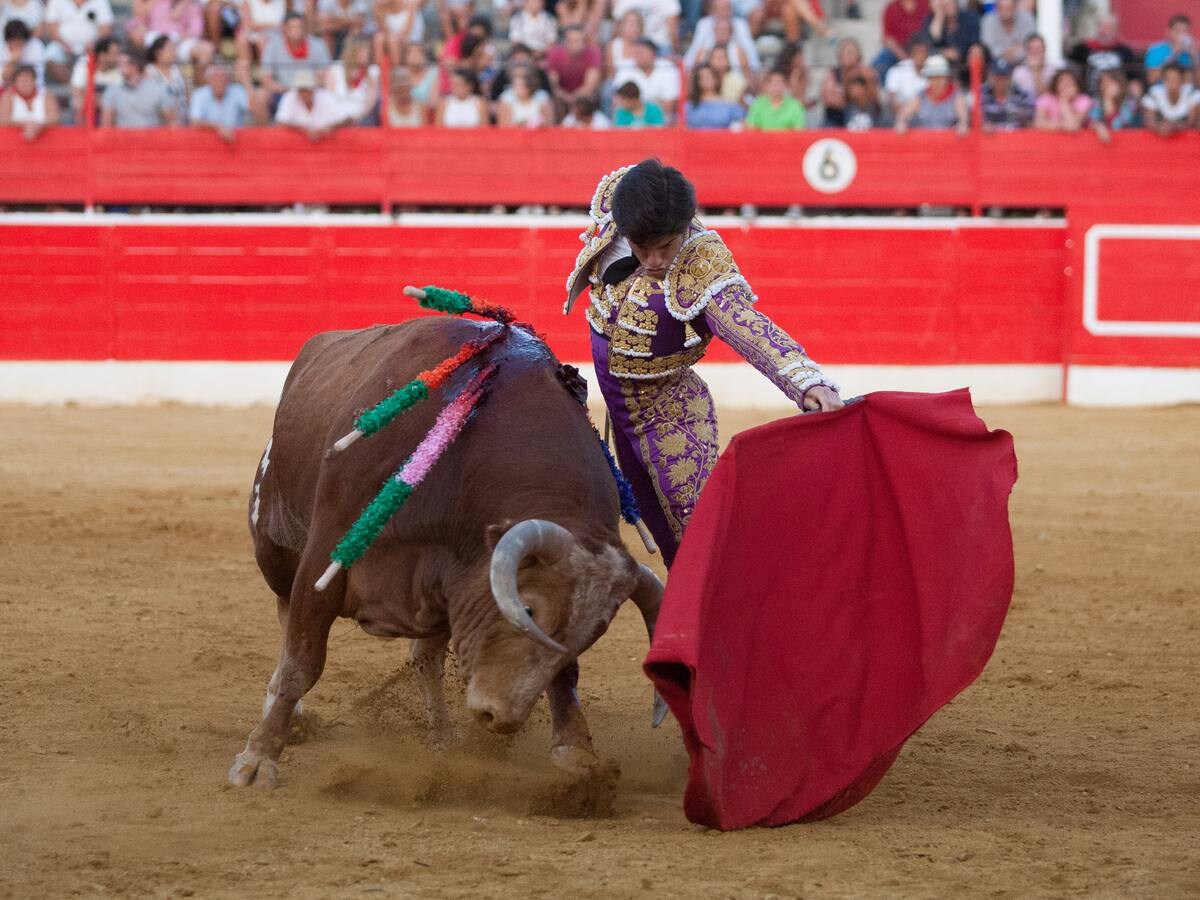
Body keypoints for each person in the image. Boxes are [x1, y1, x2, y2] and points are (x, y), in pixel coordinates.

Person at [563, 159, 842, 565]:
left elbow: (747, 326)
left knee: (698, 534)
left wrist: (806, 382)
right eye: (645, 248)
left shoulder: (701, 263)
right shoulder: (620, 202)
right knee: (651, 515)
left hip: (668, 413)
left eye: (668, 246)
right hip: (618, 404)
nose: (657, 260)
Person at [100, 46, 176, 127]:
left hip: (151, 138)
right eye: (119, 63)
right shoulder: (113, 90)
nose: (120, 66)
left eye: (123, 63)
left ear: (135, 65)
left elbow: (171, 122)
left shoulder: (159, 89)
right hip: (123, 138)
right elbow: (106, 124)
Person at [128, 0, 213, 71]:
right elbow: (138, 20)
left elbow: (195, 31)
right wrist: (141, 28)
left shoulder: (192, 6)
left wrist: (176, 41)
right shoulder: (157, 3)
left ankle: (199, 87)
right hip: (157, 39)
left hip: (180, 42)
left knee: (207, 49)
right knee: (139, 37)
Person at [895, 53, 967, 133]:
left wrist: (962, 125)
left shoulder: (956, 97)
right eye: (932, 77)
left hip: (949, 143)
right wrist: (901, 123)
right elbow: (902, 116)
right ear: (928, 78)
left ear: (946, 77)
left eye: (940, 76)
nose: (937, 81)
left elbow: (963, 119)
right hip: (923, 142)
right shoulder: (920, 97)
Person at [1066, 14, 1135, 95]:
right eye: (1102, 26)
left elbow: (1132, 78)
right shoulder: (1083, 48)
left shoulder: (1124, 51)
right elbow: (1069, 61)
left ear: (1115, 30)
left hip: (1116, 95)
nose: (1104, 31)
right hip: (1089, 95)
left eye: (1109, 27)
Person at [613, 37, 680, 118]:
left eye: (641, 52)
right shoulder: (625, 68)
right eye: (635, 53)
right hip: (630, 121)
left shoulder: (667, 68)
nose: (637, 56)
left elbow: (669, 106)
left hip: (661, 120)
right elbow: (619, 102)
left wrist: (636, 104)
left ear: (653, 54)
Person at [274, 65, 348, 138]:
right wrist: (303, 129)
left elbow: (347, 119)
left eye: (307, 90)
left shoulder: (325, 96)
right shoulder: (289, 97)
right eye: (301, 90)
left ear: (313, 89)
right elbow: (280, 122)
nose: (304, 94)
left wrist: (331, 127)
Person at [545, 25, 601, 110]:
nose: (574, 44)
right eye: (570, 41)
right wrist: (567, 97)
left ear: (585, 42)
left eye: (577, 41)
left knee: (590, 97)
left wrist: (573, 98)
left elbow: (590, 85)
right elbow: (553, 85)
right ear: (564, 41)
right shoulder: (555, 53)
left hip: (584, 96)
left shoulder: (593, 53)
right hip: (561, 97)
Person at [873, 0, 930, 82]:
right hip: (898, 49)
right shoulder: (891, 8)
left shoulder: (925, 4)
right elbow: (886, 37)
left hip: (922, 47)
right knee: (880, 62)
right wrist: (904, 56)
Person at [189, 60, 248, 140]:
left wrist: (246, 80)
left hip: (237, 141)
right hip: (207, 142)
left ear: (228, 80)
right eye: (215, 77)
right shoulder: (200, 94)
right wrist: (218, 126)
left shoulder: (237, 91)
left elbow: (254, 109)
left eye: (223, 77)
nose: (220, 81)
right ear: (209, 80)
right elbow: (194, 121)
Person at [820, 37, 872, 128]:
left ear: (858, 55)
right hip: (835, 118)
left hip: (859, 115)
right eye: (846, 52)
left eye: (851, 52)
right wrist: (850, 100)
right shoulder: (833, 73)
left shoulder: (865, 73)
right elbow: (829, 98)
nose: (849, 55)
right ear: (839, 56)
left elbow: (871, 97)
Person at [1141, 62, 1199, 137]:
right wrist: (1159, 127)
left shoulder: (1192, 93)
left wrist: (1174, 127)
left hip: (1186, 141)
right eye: (1168, 79)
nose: (1172, 82)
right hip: (1160, 140)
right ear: (1163, 80)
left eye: (1175, 78)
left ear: (1182, 80)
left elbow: (1192, 121)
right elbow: (1149, 120)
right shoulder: (1154, 93)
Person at [0, 63, 57, 138]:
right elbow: (3, 120)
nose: (25, 84)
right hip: (13, 140)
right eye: (21, 81)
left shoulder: (46, 95)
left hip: (45, 140)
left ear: (34, 81)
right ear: (15, 82)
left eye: (28, 80)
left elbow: (54, 118)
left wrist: (38, 126)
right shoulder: (8, 96)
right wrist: (25, 124)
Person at [921, 0, 979, 67]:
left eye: (952, 2)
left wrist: (957, 53)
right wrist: (939, 16)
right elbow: (930, 43)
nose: (951, 6)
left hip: (965, 62)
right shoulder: (931, 20)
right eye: (946, 5)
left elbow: (973, 43)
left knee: (976, 51)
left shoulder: (970, 18)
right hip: (939, 64)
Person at [1088, 68, 1139, 143]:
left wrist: (1107, 99)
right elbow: (1090, 121)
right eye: (1103, 82)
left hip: (1127, 145)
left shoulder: (1130, 104)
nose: (1106, 86)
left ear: (1120, 85)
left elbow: (1116, 126)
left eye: (1110, 82)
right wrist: (1098, 126)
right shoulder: (1096, 101)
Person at [980, 56, 1032, 130]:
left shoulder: (1022, 95)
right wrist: (983, 126)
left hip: (1016, 139)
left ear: (1010, 77)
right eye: (997, 76)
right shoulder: (981, 94)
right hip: (988, 139)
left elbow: (1029, 120)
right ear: (990, 76)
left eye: (1004, 77)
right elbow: (973, 119)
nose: (1000, 81)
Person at [685, 62, 742, 129]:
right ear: (697, 81)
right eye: (702, 77)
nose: (706, 79)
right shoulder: (689, 106)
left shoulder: (730, 105)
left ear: (716, 78)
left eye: (709, 76)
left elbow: (742, 125)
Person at [883, 32, 929, 114]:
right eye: (916, 51)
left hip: (924, 116)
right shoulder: (897, 70)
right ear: (911, 52)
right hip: (899, 113)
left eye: (922, 52)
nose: (919, 55)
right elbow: (892, 97)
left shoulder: (934, 72)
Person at [1033, 67, 1091, 132]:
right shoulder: (1045, 98)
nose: (1066, 85)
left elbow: (1074, 126)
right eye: (1062, 81)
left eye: (1070, 82)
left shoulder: (1084, 100)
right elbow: (1038, 122)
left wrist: (1064, 101)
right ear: (1055, 84)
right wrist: (1063, 125)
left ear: (1077, 85)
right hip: (1050, 139)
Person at [980, 0, 1034, 65]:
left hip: (1024, 63)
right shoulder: (988, 20)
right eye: (1002, 8)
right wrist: (1013, 50)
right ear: (996, 8)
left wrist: (1014, 54)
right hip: (994, 64)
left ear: (1016, 7)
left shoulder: (1027, 18)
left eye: (1009, 8)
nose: (1005, 11)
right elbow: (988, 47)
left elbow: (1030, 45)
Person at [1143, 14, 1194, 83]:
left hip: (1186, 90)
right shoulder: (1155, 50)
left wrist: (1194, 56)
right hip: (1160, 89)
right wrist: (1173, 54)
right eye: (1177, 31)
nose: (1181, 35)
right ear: (1168, 31)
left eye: (1185, 31)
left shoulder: (1190, 51)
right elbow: (1152, 79)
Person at [1012, 33, 1058, 99]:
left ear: (1045, 50)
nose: (1035, 52)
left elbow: (1047, 98)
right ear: (1026, 51)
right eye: (1031, 49)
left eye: (1038, 48)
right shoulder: (1018, 72)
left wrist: (1036, 71)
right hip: (1025, 107)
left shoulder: (1055, 69)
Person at [0, 19, 44, 85]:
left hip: (30, 88)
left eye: (21, 42)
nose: (18, 46)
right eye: (14, 43)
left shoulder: (36, 46)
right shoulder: (1, 47)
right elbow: (2, 79)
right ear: (7, 41)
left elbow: (38, 79)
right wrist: (13, 62)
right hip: (7, 89)